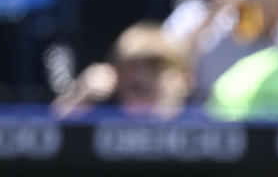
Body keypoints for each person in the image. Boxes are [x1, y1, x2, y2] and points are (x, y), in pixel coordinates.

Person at [51, 21, 192, 118]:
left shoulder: (198, 114)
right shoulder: (102, 113)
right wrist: (82, 95)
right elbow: (49, 127)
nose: (141, 73)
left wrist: (169, 99)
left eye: (154, 64)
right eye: (131, 64)